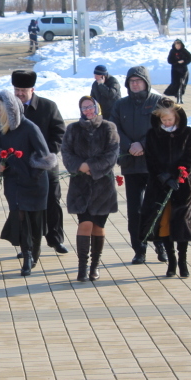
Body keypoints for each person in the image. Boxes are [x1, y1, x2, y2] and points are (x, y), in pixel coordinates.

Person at [0, 90, 57, 276]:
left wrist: (31, 170)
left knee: (35, 221)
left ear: (10, 110)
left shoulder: (29, 127)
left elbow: (45, 157)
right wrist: (0, 163)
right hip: (13, 181)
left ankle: (34, 252)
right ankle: (27, 256)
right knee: (20, 218)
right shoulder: (1, 128)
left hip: (34, 182)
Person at [109, 66, 167, 265]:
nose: (135, 84)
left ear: (146, 83)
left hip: (152, 163)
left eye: (138, 81)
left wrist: (142, 144)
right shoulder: (120, 105)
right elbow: (114, 128)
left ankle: (160, 244)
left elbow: (161, 127)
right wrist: (129, 146)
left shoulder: (157, 102)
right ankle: (139, 249)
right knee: (135, 210)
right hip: (131, 163)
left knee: (155, 207)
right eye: (131, 81)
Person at [61, 96, 120, 282]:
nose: (88, 110)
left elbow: (112, 154)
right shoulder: (72, 129)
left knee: (98, 225)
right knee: (84, 223)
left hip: (103, 186)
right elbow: (66, 152)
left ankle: (95, 266)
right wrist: (80, 166)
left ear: (97, 107)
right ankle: (82, 267)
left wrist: (92, 167)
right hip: (81, 186)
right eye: (84, 107)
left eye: (90, 107)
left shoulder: (108, 128)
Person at [140, 98, 191, 278]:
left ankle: (183, 260)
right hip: (160, 185)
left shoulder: (187, 133)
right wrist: (164, 177)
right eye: (163, 120)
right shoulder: (153, 134)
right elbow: (151, 159)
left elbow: (190, 156)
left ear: (177, 118)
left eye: (169, 119)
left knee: (181, 223)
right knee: (164, 223)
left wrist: (179, 175)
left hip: (182, 186)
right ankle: (171, 261)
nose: (166, 123)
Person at [11, 70, 68, 255]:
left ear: (32, 89)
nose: (19, 93)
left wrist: (45, 155)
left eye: (23, 90)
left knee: (52, 202)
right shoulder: (8, 108)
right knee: (23, 208)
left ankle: (55, 239)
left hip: (46, 166)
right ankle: (26, 245)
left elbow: (59, 133)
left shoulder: (48, 107)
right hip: (20, 167)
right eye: (16, 89)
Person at [164, 39, 191, 104]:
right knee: (176, 84)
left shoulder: (184, 51)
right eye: (176, 45)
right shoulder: (172, 51)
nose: (177, 47)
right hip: (175, 70)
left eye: (179, 45)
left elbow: (190, 57)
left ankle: (180, 98)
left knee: (182, 84)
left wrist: (184, 61)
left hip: (183, 70)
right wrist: (176, 62)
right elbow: (169, 60)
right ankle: (177, 96)